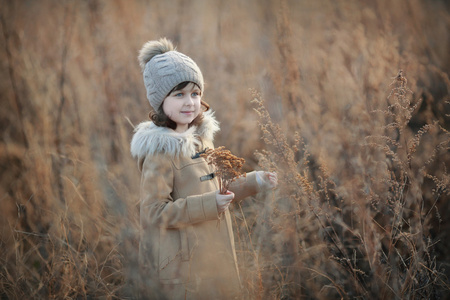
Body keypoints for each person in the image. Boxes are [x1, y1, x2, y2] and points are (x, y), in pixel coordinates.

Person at [130, 38, 277, 299]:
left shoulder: (202, 139)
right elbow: (152, 213)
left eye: (195, 94)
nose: (189, 102)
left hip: (213, 258)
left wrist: (255, 181)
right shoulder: (160, 152)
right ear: (159, 101)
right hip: (182, 269)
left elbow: (218, 191)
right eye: (179, 94)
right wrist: (210, 204)